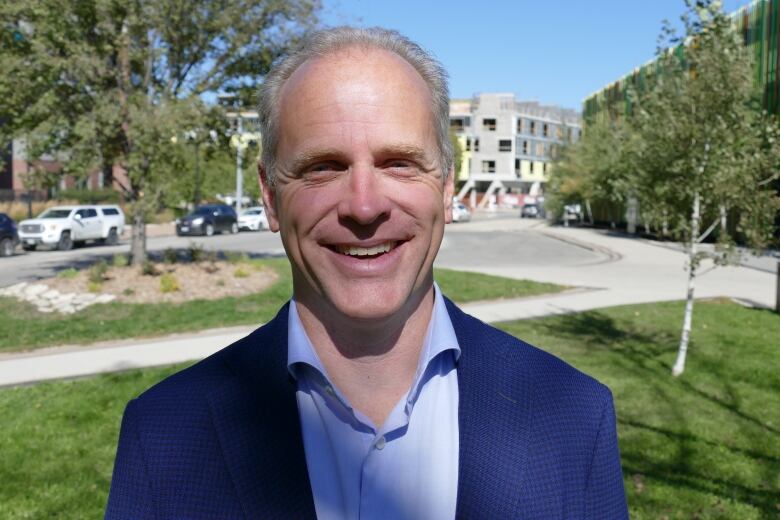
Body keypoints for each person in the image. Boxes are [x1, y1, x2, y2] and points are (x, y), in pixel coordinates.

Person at [105, 27, 628, 519]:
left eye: (399, 162)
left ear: (446, 189)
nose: (363, 205)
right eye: (322, 167)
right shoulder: (164, 435)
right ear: (269, 196)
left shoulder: (576, 416)